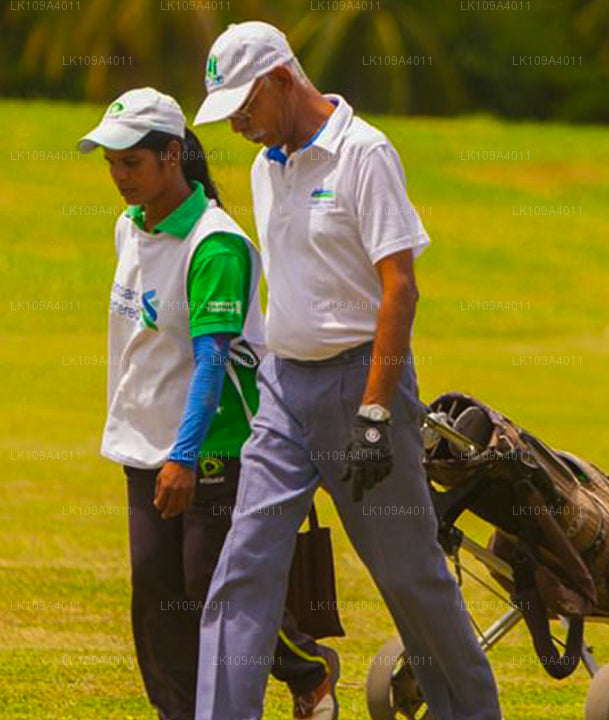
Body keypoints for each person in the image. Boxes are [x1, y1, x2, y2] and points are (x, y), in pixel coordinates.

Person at [191, 22, 503, 720]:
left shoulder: (365, 153)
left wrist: (374, 411)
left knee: (409, 576)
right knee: (242, 568)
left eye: (245, 106)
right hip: (283, 389)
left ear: (280, 78)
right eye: (229, 115)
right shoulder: (264, 165)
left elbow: (401, 287)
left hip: (360, 387)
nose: (238, 124)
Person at [79, 88, 341, 720]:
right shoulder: (128, 227)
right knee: (156, 601)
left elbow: (213, 361)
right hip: (143, 444)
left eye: (131, 162)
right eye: (111, 162)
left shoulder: (215, 244)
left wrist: (185, 456)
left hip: (213, 447)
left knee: (214, 589)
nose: (118, 176)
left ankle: (307, 671)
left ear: (172, 155)